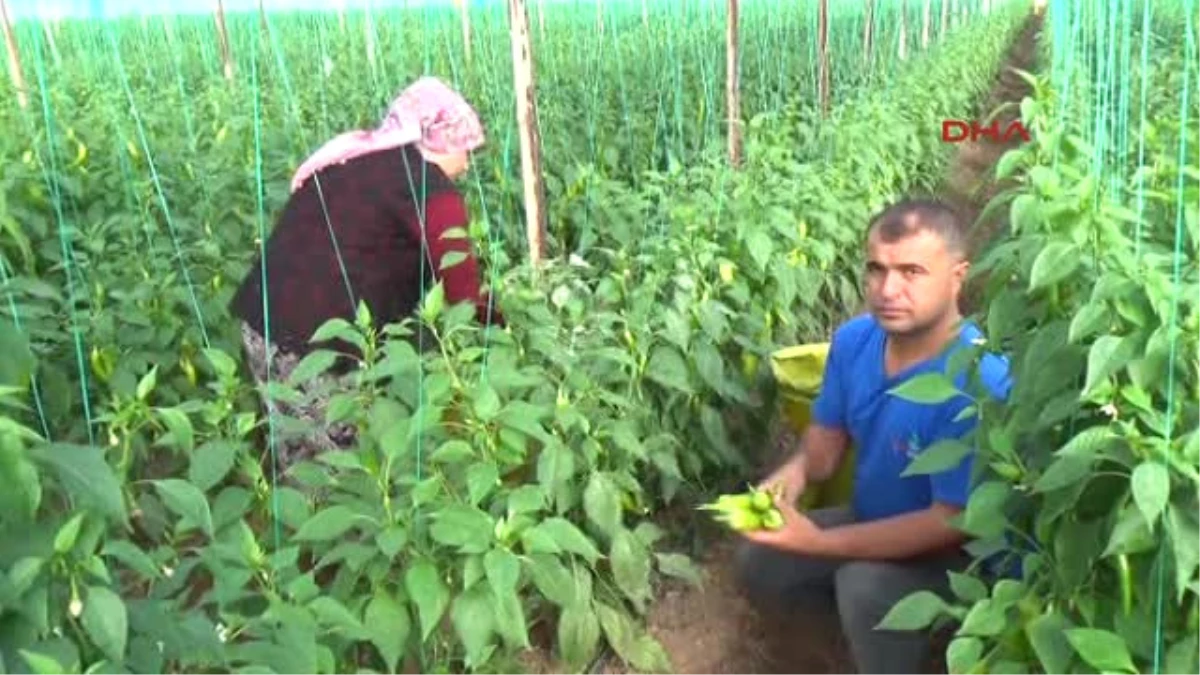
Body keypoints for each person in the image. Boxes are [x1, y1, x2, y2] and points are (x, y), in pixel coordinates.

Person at [732, 198, 1012, 675]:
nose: (888, 289)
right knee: (761, 560)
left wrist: (816, 542)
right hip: (875, 516)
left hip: (961, 560)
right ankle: (831, 654)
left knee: (865, 589)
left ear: (957, 276)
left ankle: (929, 652)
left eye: (911, 272)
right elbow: (822, 450)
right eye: (877, 270)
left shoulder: (981, 379)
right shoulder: (855, 341)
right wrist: (788, 481)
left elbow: (950, 523)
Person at [229, 76, 501, 469]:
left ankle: (299, 518)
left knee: (297, 448)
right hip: (313, 343)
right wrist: (499, 323)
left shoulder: (359, 158)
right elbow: (462, 297)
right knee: (345, 471)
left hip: (262, 319)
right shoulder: (434, 194)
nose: (469, 159)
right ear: (444, 140)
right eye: (467, 146)